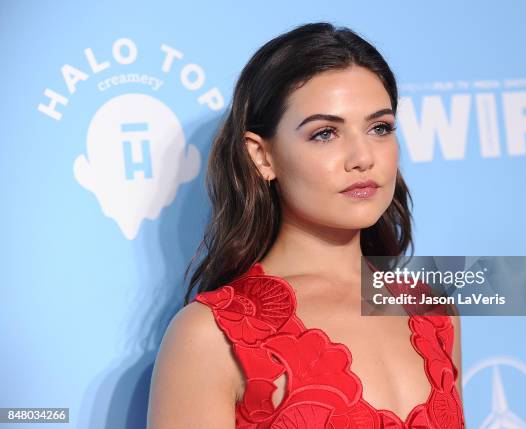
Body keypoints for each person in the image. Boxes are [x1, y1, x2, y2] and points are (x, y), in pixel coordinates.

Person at [147, 21, 465, 428]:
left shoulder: (434, 311)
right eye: (325, 133)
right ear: (262, 157)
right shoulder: (209, 335)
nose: (362, 156)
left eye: (379, 127)